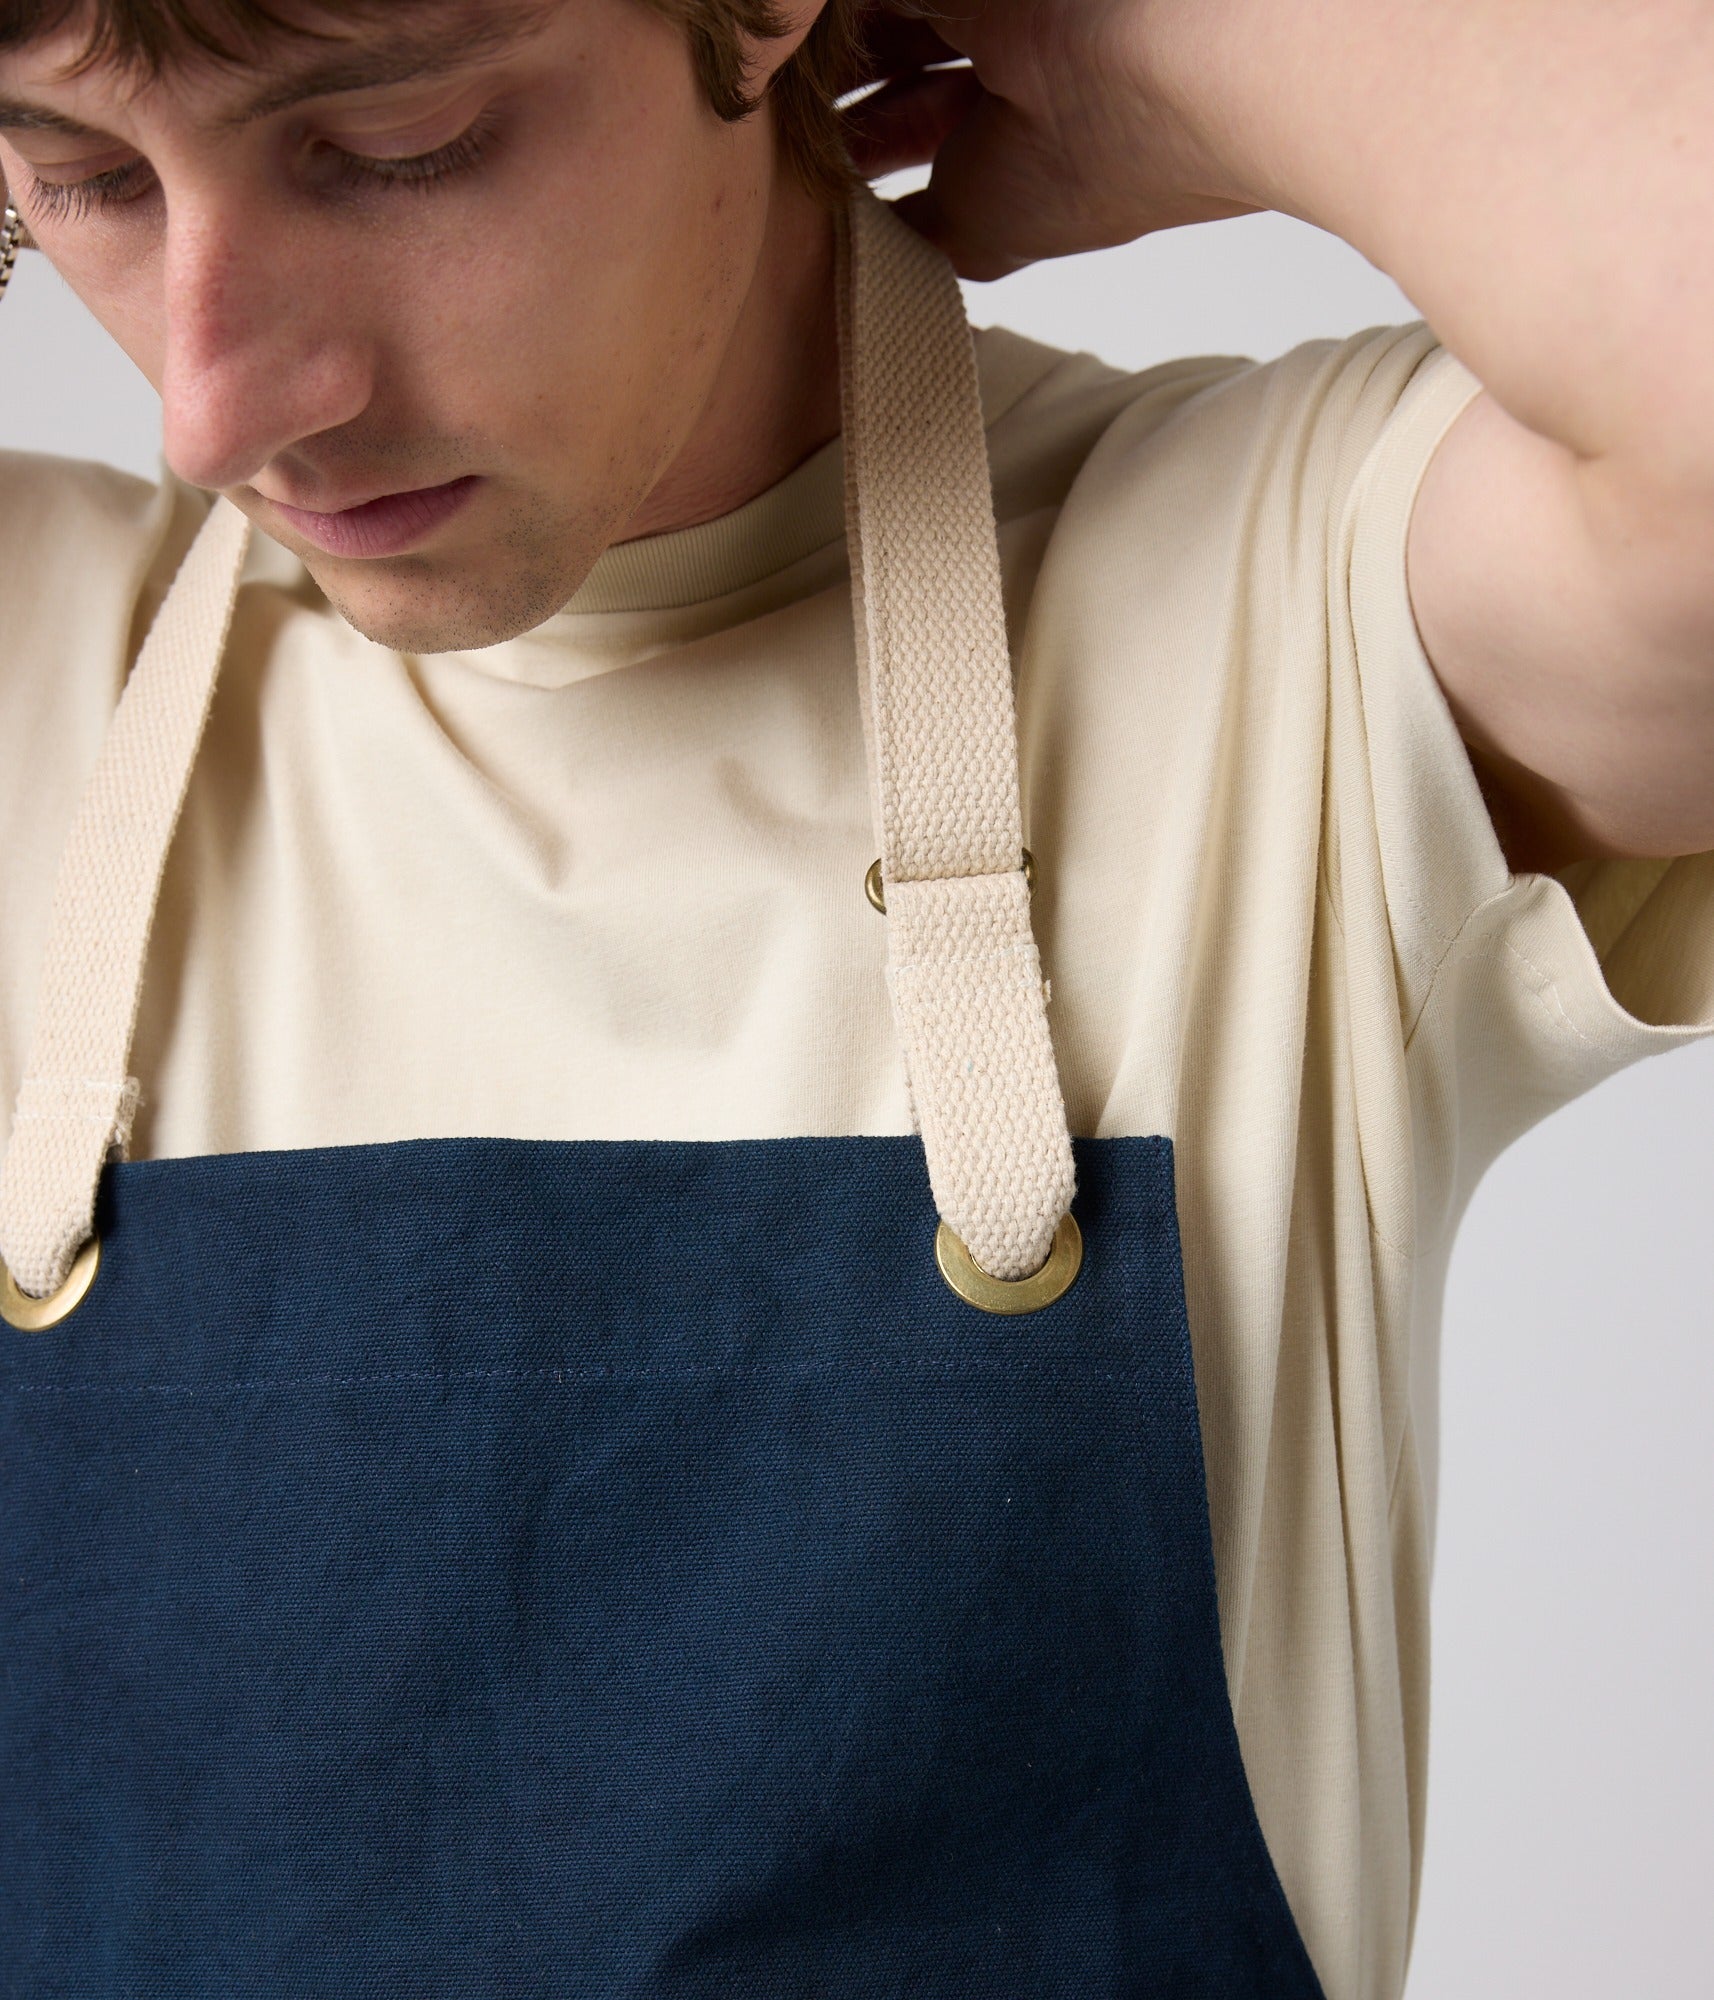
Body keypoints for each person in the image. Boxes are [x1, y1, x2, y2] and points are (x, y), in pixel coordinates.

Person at [0, 1, 1708, 1995]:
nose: (212, 408)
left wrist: (1149, 34)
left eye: (397, 144)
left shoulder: (1286, 602)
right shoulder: (39, 663)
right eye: (83, 178)